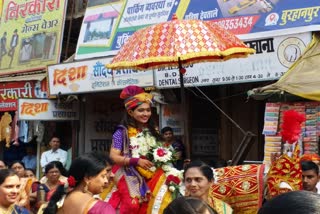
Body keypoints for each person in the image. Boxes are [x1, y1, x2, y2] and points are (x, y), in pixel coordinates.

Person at [109, 85, 159, 213]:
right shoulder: (121, 132)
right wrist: (136, 161)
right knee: (132, 204)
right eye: (141, 110)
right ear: (131, 112)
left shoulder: (152, 130)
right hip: (126, 170)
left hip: (149, 168)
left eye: (148, 110)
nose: (146, 114)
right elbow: (114, 156)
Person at [43, 152, 115, 214]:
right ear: (87, 178)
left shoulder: (60, 200)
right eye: (103, 176)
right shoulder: (102, 209)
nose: (106, 180)